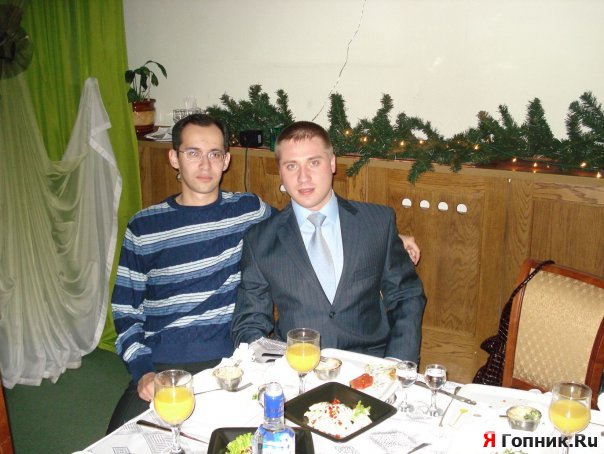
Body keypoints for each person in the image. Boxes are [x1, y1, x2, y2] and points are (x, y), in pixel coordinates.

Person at [107, 114, 271, 432]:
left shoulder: (247, 210)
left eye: (214, 154)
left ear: (226, 160)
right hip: (162, 363)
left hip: (229, 360)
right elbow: (125, 310)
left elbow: (300, 226)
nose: (205, 165)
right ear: (174, 158)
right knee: (121, 443)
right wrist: (143, 370)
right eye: (193, 153)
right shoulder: (144, 226)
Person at [231, 121, 427, 362]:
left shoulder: (377, 223)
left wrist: (397, 362)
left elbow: (406, 296)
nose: (303, 177)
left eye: (314, 163)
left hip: (370, 366)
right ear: (280, 171)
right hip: (297, 366)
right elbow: (249, 322)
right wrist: (271, 367)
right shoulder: (260, 240)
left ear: (332, 163)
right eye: (291, 166)